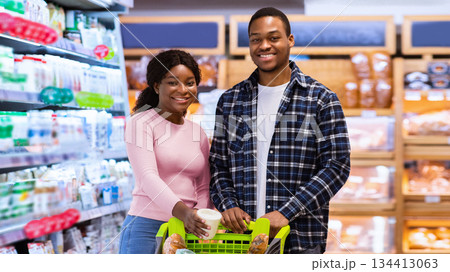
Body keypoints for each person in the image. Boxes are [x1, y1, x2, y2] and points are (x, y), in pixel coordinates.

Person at [209, 7, 351, 254]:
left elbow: (337, 166)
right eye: (256, 39)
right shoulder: (230, 101)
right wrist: (228, 205)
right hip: (241, 239)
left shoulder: (320, 99)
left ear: (290, 40)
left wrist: (288, 212)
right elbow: (218, 165)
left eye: (273, 38)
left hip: (299, 239)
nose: (264, 45)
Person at [120, 49, 213, 254]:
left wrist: (198, 214)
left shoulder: (197, 131)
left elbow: (204, 186)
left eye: (189, 83)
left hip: (188, 230)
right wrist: (184, 213)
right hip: (147, 227)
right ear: (156, 86)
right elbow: (147, 177)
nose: (183, 90)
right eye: (172, 82)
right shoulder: (141, 122)